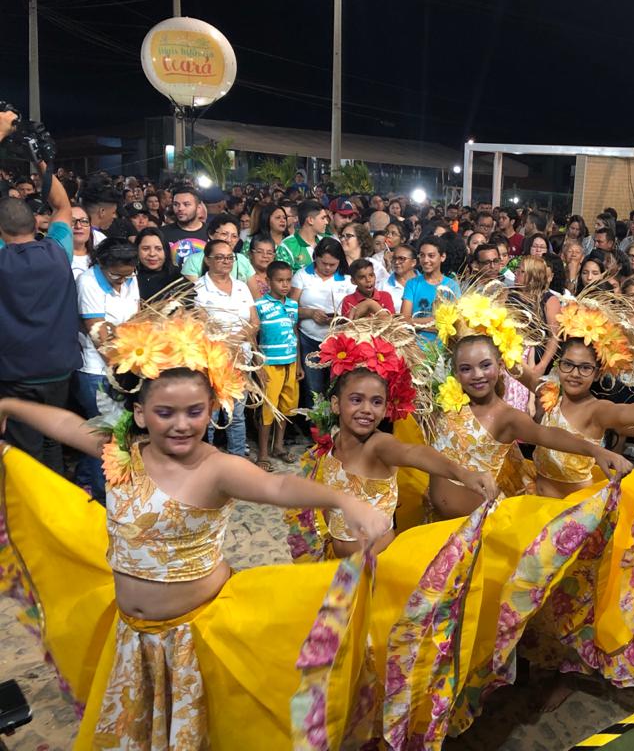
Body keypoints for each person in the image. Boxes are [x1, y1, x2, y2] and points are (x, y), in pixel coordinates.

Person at [0, 305, 390, 749]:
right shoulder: (124, 451)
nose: (181, 424)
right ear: (140, 413)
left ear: (212, 410)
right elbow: (69, 425)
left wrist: (343, 500)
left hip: (195, 636)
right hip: (132, 635)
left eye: (194, 412)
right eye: (165, 412)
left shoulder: (216, 469)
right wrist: (10, 405)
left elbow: (278, 486)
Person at [284, 316, 498, 559]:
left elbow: (414, 453)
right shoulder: (333, 443)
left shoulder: (377, 446)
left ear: (386, 408)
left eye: (376, 402)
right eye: (356, 400)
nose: (366, 409)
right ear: (335, 404)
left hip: (376, 566)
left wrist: (463, 474)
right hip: (336, 561)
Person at [421, 288, 632, 518]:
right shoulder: (449, 400)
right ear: (455, 372)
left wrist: (594, 449)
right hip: (435, 519)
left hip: (474, 527)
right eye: (466, 368)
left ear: (501, 366)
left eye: (485, 365)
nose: (477, 374)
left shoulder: (506, 417)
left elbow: (547, 434)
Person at [528, 297, 634, 499]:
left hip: (572, 511)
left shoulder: (596, 410)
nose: (575, 374)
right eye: (568, 364)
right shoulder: (550, 391)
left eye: (585, 368)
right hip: (535, 499)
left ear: (598, 374)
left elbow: (624, 412)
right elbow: (515, 368)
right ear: (559, 365)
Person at [0, 147, 78, 472]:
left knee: (25, 452)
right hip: (59, 370)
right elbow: (63, 205)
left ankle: (31, 501)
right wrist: (40, 159)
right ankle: (56, 497)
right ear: (35, 223)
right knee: (52, 441)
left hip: (16, 375)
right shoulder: (59, 251)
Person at [75, 237, 141, 501]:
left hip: (125, 366)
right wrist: (125, 369)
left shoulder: (130, 278)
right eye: (116, 276)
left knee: (117, 432)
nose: (122, 282)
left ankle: (88, 483)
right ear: (101, 264)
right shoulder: (88, 282)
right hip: (98, 371)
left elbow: (136, 320)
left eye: (127, 275)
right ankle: (101, 498)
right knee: (102, 437)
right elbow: (99, 335)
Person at [193, 238, 258, 458]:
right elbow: (201, 325)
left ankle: (237, 458)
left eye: (230, 257)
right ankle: (207, 459)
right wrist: (225, 345)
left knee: (236, 413)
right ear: (207, 260)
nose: (226, 261)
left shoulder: (241, 286)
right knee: (211, 414)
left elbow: (254, 321)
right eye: (219, 257)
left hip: (241, 359)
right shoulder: (199, 288)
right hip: (213, 360)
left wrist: (238, 340)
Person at [290, 237, 354, 408]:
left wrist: (339, 318)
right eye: (323, 263)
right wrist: (310, 313)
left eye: (332, 265)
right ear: (315, 257)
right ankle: (315, 423)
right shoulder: (302, 275)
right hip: (309, 339)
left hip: (338, 342)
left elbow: (355, 310)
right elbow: (289, 309)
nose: (327, 268)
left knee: (337, 388)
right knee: (314, 390)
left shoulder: (347, 279)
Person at [254, 260, 302, 471]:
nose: (285, 285)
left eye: (288, 280)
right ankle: (263, 454)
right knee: (268, 409)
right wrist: (257, 364)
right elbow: (252, 336)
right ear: (268, 281)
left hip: (290, 361)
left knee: (285, 407)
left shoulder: (292, 305)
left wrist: (298, 363)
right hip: (270, 364)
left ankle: (278, 446)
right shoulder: (259, 306)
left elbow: (294, 332)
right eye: (279, 280)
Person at [400, 236, 460, 340]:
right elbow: (404, 321)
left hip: (443, 346)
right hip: (416, 345)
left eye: (431, 256)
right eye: (422, 255)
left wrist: (415, 323)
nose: (425, 260)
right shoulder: (412, 284)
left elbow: (455, 322)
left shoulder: (452, 286)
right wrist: (438, 321)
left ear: (442, 257)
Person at [181, 214, 255, 281]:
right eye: (224, 234)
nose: (229, 240)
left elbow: (254, 290)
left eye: (234, 236)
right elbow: (192, 290)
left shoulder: (242, 260)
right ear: (211, 234)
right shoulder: (194, 261)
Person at [277, 200, 330, 271]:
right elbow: (282, 275)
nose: (326, 222)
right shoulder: (286, 246)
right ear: (310, 220)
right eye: (323, 218)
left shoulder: (328, 241)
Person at [162, 186, 207, 265]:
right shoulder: (162, 233)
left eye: (186, 204)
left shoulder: (211, 232)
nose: (180, 208)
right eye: (176, 204)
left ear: (199, 208)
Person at [135, 227, 182, 301]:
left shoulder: (177, 278)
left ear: (166, 251)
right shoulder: (130, 278)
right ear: (137, 250)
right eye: (145, 248)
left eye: (158, 249)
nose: (152, 254)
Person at [246, 233, 276, 300]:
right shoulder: (246, 278)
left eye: (269, 253)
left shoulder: (277, 277)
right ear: (250, 254)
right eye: (260, 252)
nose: (265, 256)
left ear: (274, 256)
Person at [70, 204, 96, 279]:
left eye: (84, 221)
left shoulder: (99, 258)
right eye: (72, 221)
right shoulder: (54, 257)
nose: (78, 226)